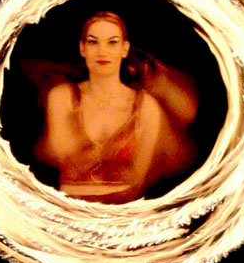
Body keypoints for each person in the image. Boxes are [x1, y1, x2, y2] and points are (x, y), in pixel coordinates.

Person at [32, 11, 197, 204]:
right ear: (82, 48)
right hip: (71, 213)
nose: (102, 52)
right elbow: (62, 153)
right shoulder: (62, 98)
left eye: (112, 42)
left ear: (124, 49)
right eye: (93, 42)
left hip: (123, 215)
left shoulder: (145, 107)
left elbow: (138, 179)